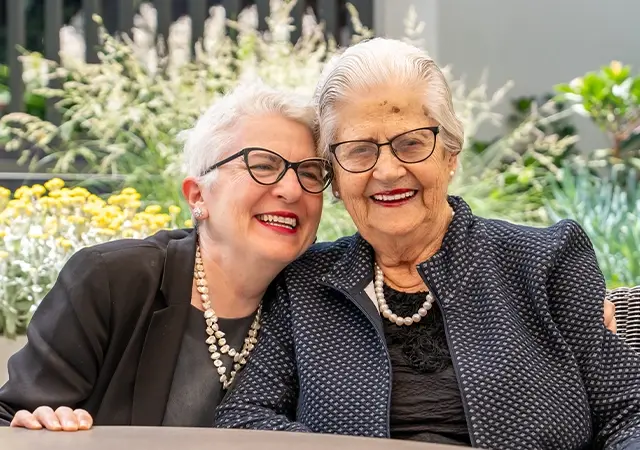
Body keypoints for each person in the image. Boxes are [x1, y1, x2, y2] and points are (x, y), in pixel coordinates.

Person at [215, 38, 640, 449]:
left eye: (411, 143)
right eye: (360, 151)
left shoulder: (542, 261)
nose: (387, 170)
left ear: (450, 154)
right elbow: (244, 418)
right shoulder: (306, 285)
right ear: (336, 179)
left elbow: (629, 414)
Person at [0, 82, 332, 430]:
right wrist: (37, 423)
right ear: (197, 196)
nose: (293, 190)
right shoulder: (111, 279)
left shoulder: (318, 302)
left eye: (310, 172)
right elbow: (11, 416)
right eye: (263, 166)